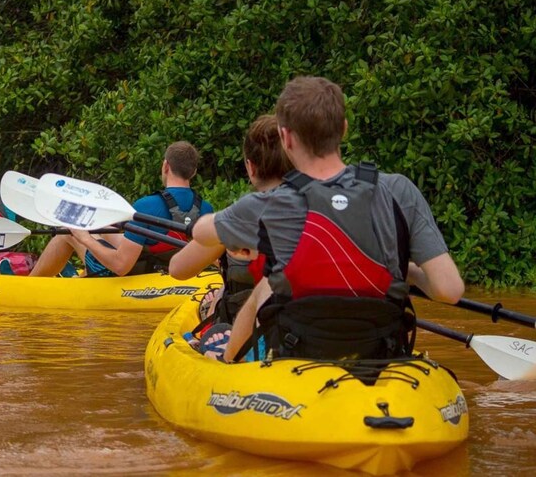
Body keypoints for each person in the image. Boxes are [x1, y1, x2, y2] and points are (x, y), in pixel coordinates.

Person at [189, 76, 464, 362]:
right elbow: (449, 290)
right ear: (343, 129)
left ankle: (227, 362)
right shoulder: (399, 190)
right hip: (381, 352)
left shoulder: (267, 203)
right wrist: (404, 271)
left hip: (296, 351)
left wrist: (238, 229)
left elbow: (201, 232)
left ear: (285, 138)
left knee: (263, 288)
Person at [169, 115, 293, 358]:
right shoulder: (324, 212)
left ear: (250, 167)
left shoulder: (237, 219)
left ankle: (225, 350)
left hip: (255, 337)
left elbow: (177, 269)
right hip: (307, 333)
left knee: (218, 301)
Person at [29, 141, 214, 277]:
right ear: (194, 172)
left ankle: (30, 284)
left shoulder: (146, 206)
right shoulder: (206, 210)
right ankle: (81, 275)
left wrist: (84, 238)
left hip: (131, 275)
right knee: (109, 226)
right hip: (163, 267)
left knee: (66, 232)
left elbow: (121, 266)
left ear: (165, 166)